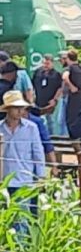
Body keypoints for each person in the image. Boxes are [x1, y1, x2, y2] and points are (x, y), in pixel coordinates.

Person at [0, 90, 44, 238]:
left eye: (22, 108)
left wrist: (41, 177)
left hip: (24, 181)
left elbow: (38, 153)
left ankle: (21, 249)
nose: (20, 111)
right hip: (4, 182)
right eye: (16, 107)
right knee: (5, 219)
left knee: (22, 221)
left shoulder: (31, 128)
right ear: (7, 109)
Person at [31, 54, 63, 135]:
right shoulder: (37, 72)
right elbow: (32, 85)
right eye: (44, 63)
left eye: (47, 63)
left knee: (50, 122)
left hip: (50, 102)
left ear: (52, 63)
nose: (45, 65)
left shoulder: (57, 74)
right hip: (38, 101)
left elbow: (60, 88)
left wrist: (55, 99)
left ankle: (52, 137)